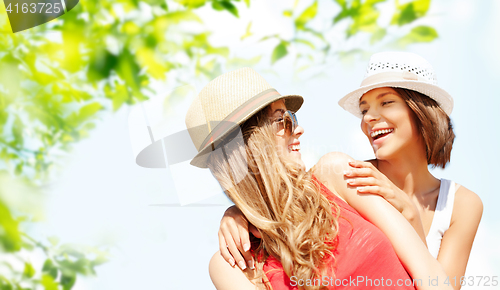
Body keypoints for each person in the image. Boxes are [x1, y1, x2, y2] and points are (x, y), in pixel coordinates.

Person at [218, 52, 482, 290]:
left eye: (387, 102)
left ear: (421, 110)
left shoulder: (461, 203)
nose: (368, 118)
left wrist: (410, 214)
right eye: (364, 110)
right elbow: (287, 195)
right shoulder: (350, 175)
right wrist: (237, 213)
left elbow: (438, 282)